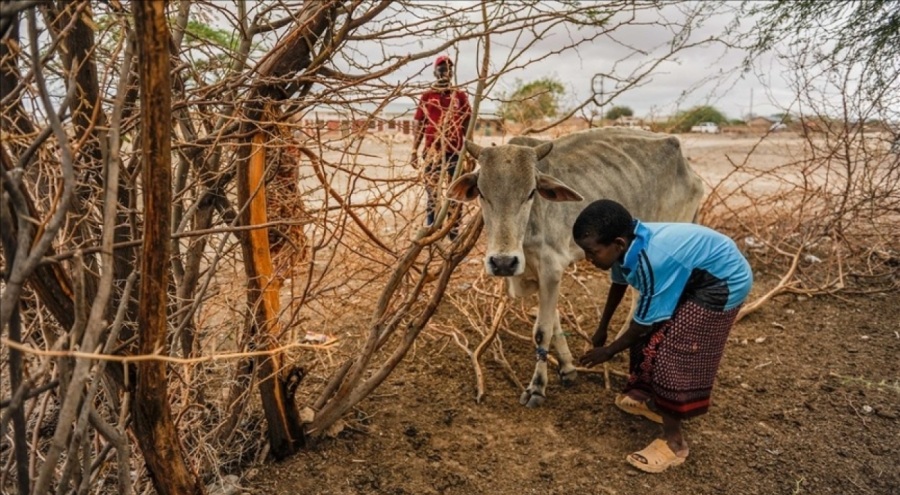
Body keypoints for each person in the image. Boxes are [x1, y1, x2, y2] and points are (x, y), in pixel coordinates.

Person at [573, 199, 753, 473]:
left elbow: (642, 325)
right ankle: (649, 399)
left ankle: (674, 443)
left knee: (674, 353)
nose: (589, 259)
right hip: (692, 275)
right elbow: (619, 284)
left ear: (618, 244)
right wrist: (603, 327)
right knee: (649, 339)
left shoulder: (652, 260)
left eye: (592, 252)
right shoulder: (626, 247)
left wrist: (608, 351)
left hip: (723, 282)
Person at [411, 55, 471, 239]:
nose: (446, 71)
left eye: (449, 69)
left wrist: (469, 150)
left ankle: (453, 232)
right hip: (433, 153)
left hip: (455, 153)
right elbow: (419, 123)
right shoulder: (428, 96)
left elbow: (467, 122)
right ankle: (432, 231)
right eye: (442, 68)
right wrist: (414, 150)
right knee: (432, 194)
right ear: (435, 72)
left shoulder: (459, 96)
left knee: (456, 194)